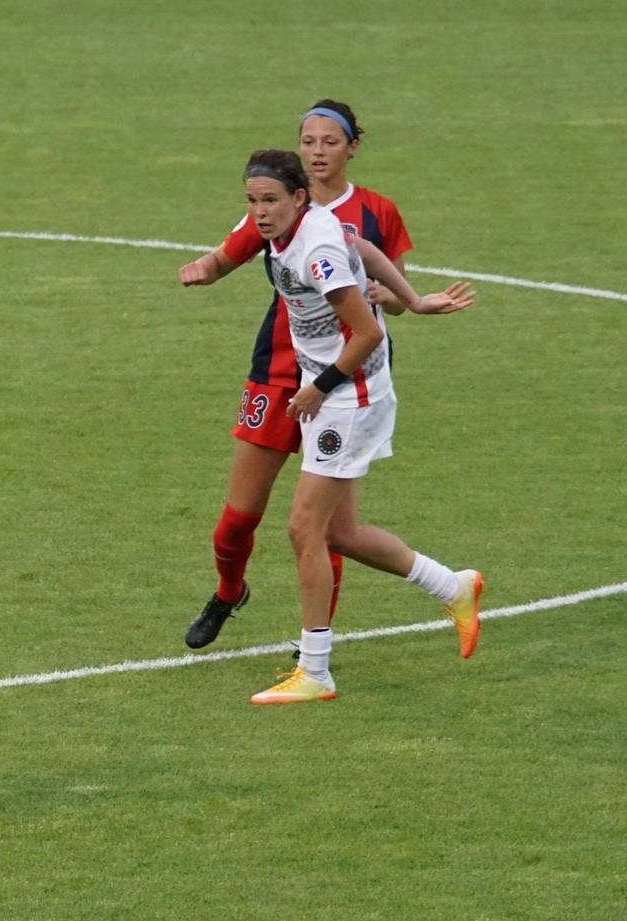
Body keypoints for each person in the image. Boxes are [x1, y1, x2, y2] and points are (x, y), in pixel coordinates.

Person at [177, 99, 471, 648]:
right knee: (240, 520)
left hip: (340, 381)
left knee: (321, 527)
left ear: (351, 147)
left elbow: (377, 302)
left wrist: (405, 301)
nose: (317, 151)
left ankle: (313, 649)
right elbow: (226, 256)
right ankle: (228, 593)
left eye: (329, 142)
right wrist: (203, 269)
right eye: (308, 141)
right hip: (278, 372)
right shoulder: (275, 206)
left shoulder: (367, 213)